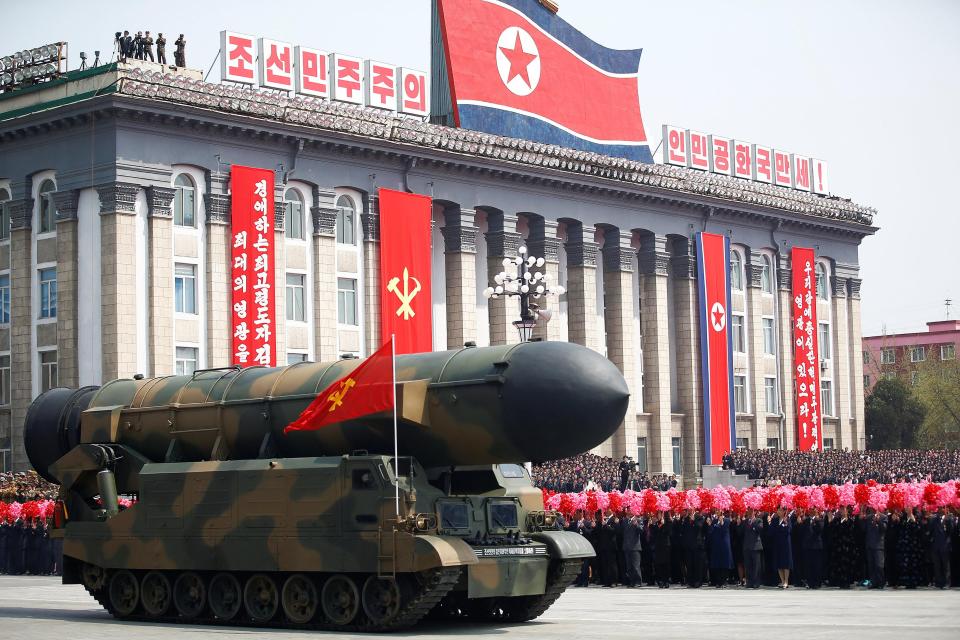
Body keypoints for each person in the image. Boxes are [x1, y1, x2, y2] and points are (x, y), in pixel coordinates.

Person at [826, 507, 857, 588]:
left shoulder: (850, 521)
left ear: (847, 511)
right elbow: (831, 531)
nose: (842, 511)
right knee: (838, 564)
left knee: (847, 565)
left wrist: (846, 520)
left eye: (844, 509)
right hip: (838, 546)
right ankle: (839, 581)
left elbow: (851, 532)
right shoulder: (836, 520)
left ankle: (847, 582)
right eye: (841, 509)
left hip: (847, 547)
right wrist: (830, 521)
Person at [926, 507, 955, 589]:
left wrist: (947, 521)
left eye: (943, 508)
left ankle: (947, 583)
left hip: (945, 545)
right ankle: (938, 583)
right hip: (935, 546)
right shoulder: (934, 519)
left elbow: (951, 530)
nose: (941, 509)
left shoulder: (949, 518)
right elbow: (930, 530)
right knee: (937, 565)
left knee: (946, 566)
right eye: (939, 508)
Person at [894, 509, 923, 589]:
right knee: (904, 563)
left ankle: (913, 582)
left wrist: (913, 519)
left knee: (913, 563)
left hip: (913, 544)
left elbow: (918, 529)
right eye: (906, 506)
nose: (907, 508)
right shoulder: (903, 517)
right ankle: (905, 582)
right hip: (904, 544)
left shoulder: (917, 516)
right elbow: (899, 529)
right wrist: (897, 521)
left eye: (909, 506)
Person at [863, 508, 888, 589]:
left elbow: (884, 528)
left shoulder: (884, 517)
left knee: (879, 565)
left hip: (878, 545)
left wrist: (878, 521)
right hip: (869, 545)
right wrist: (861, 519)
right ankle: (874, 582)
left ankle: (881, 582)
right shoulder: (868, 517)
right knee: (871, 565)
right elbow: (863, 529)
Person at [707, 512, 733, 588]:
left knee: (725, 563)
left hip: (724, 544)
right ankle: (718, 581)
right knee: (717, 563)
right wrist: (709, 525)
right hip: (716, 545)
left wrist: (721, 522)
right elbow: (711, 532)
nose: (717, 512)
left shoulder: (727, 520)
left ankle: (724, 581)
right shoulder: (714, 520)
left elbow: (724, 530)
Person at [770, 508, 793, 588]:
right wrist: (769, 522)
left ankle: (786, 581)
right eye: (778, 510)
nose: (778, 512)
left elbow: (789, 530)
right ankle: (782, 581)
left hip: (786, 544)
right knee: (778, 562)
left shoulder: (788, 519)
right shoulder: (775, 520)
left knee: (786, 563)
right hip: (777, 544)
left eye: (780, 510)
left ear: (784, 511)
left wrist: (786, 524)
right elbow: (772, 531)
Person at [742, 509, 764, 588]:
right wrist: (739, 523)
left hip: (755, 546)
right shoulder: (745, 521)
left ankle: (756, 582)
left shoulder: (759, 520)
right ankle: (749, 582)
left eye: (752, 511)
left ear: (754, 512)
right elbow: (741, 532)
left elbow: (760, 529)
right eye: (749, 511)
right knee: (748, 565)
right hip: (747, 546)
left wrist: (753, 521)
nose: (750, 512)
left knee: (756, 566)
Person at [803, 510, 825, 589]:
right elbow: (804, 532)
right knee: (809, 565)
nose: (812, 511)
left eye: (814, 510)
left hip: (817, 546)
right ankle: (809, 582)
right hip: (808, 546)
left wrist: (817, 520)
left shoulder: (820, 520)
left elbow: (820, 530)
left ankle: (817, 582)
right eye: (811, 509)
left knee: (817, 565)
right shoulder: (806, 520)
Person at [650, 511, 672, 588]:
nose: (659, 515)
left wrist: (663, 524)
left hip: (665, 545)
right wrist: (653, 524)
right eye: (658, 514)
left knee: (666, 563)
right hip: (658, 546)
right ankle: (661, 580)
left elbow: (668, 532)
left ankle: (666, 580)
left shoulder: (668, 522)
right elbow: (653, 533)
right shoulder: (655, 522)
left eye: (660, 514)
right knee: (659, 564)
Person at [621, 515, 644, 587]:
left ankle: (638, 582)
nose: (629, 511)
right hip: (626, 546)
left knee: (635, 566)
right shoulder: (625, 520)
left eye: (630, 509)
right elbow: (621, 531)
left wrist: (636, 524)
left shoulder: (638, 519)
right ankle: (632, 581)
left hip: (635, 547)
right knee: (629, 566)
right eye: (628, 509)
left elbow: (641, 530)